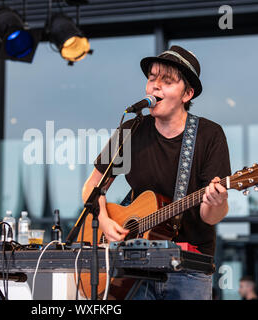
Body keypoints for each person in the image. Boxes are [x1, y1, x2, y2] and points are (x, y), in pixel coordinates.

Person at [82, 45, 231, 300]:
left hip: (189, 269)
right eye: (152, 79)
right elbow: (92, 188)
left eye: (167, 81)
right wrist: (105, 222)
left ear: (188, 93)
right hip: (134, 266)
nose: (155, 86)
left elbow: (210, 217)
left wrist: (217, 202)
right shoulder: (132, 130)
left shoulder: (209, 135)